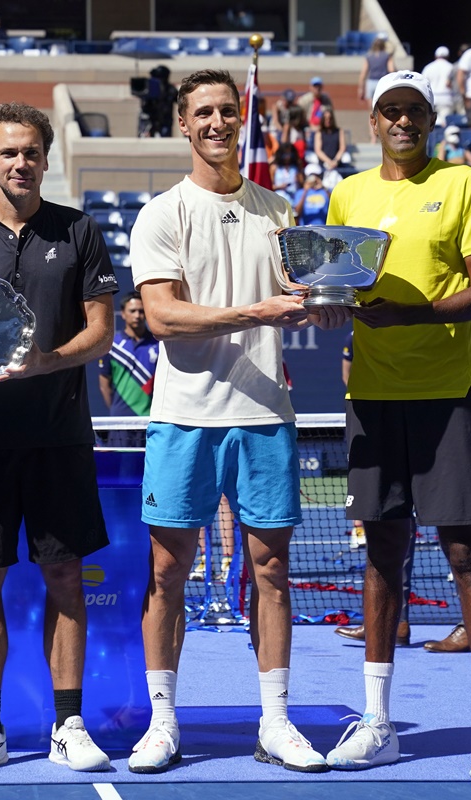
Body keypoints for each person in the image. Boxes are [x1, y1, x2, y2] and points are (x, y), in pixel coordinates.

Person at [126, 68, 349, 776]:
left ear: (240, 117)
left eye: (228, 110)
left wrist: (327, 303)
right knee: (168, 573)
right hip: (183, 417)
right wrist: (260, 311)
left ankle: (276, 722)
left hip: (264, 417)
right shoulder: (162, 214)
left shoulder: (280, 211)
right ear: (184, 125)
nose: (218, 123)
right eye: (204, 113)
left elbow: (299, 298)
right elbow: (161, 317)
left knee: (272, 571)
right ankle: (163, 724)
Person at [323, 71, 471, 784]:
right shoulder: (348, 193)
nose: (402, 121)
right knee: (380, 559)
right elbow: (339, 286)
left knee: (466, 554)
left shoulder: (464, 183)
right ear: (373, 121)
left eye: (413, 111)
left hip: (447, 397)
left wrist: (409, 314)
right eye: (390, 111)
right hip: (374, 399)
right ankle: (377, 723)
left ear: (429, 120)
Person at [0, 101, 116, 774]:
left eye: (31, 151)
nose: (20, 162)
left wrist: (46, 360)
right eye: (8, 152)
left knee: (65, 574)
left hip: (60, 435)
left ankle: (70, 724)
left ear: (44, 158)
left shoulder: (80, 230)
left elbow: (102, 330)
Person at [334, 330, 415, 643]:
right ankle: (390, 622)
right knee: (385, 531)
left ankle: (393, 622)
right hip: (373, 421)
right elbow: (348, 375)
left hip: (412, 419)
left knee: (397, 530)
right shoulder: (357, 334)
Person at [98, 291, 158, 448]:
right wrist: (116, 410)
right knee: (121, 468)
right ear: (123, 314)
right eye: (132, 311)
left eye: (141, 311)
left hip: (151, 419)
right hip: (119, 422)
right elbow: (104, 382)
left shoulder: (159, 343)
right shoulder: (112, 344)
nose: (137, 315)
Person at [359, 34, 395, 142]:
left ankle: (372, 137)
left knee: (371, 111)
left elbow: (363, 74)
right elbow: (392, 70)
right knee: (383, 110)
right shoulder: (387, 56)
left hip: (370, 83)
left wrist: (360, 88)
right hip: (382, 83)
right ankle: (383, 136)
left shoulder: (369, 56)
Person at [422, 45, 460, 121]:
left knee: (430, 123)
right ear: (447, 56)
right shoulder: (451, 67)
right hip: (446, 99)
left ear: (436, 56)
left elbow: (423, 84)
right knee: (445, 123)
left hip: (431, 99)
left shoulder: (428, 67)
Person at [313, 108, 350, 176]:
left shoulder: (339, 131)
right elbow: (318, 150)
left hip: (337, 163)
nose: (328, 121)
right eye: (326, 118)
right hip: (323, 164)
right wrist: (329, 162)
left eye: (330, 118)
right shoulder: (319, 133)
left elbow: (342, 148)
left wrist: (335, 161)